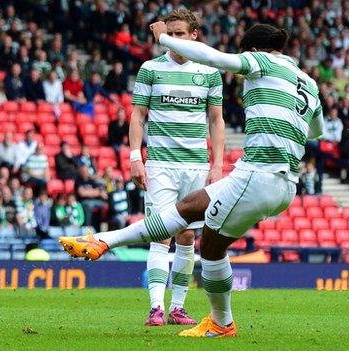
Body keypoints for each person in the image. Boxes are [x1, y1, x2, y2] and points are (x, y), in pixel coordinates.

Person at [59, 23, 324, 338]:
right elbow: (317, 131)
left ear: (252, 50)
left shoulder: (261, 61)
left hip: (260, 173)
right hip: (285, 183)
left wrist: (164, 38)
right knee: (189, 208)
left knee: (211, 246)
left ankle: (222, 323)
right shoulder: (308, 82)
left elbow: (214, 58)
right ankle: (104, 241)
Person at [131, 10, 226, 328]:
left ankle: (178, 308)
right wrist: (135, 157)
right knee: (160, 235)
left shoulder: (209, 71)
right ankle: (156, 307)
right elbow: (138, 116)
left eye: (181, 34)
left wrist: (218, 164)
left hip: (196, 166)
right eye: (169, 34)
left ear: (194, 35)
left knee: (186, 237)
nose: (175, 40)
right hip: (160, 164)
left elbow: (216, 120)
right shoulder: (151, 69)